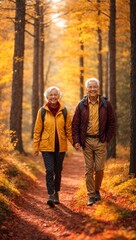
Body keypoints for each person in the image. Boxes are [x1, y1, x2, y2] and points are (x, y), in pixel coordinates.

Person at [72, 78, 115, 206]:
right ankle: (90, 195)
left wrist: (107, 138)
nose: (92, 89)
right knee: (89, 169)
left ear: (98, 88)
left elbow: (112, 123)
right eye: (90, 87)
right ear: (87, 89)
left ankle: (96, 190)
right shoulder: (81, 105)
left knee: (100, 168)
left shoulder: (106, 104)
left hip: (100, 140)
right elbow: (75, 124)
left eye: (94, 87)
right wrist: (76, 141)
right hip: (87, 141)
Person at [33, 86, 73, 207]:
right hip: (46, 147)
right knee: (49, 170)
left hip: (60, 147)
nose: (53, 97)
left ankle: (56, 193)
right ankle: (50, 194)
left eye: (56, 95)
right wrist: (36, 147)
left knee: (58, 171)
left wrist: (75, 143)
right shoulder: (42, 111)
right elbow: (37, 130)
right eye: (51, 95)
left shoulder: (64, 111)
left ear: (59, 96)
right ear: (47, 97)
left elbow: (69, 130)